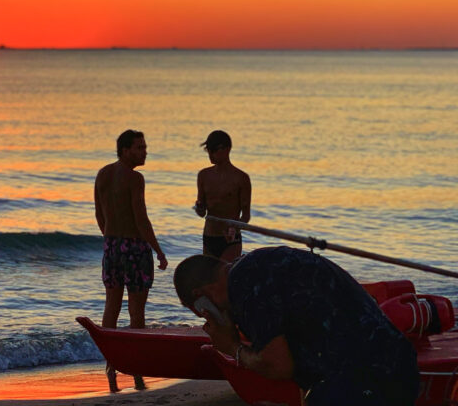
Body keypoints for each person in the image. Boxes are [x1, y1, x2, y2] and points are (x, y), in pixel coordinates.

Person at [173, 247, 420, 406]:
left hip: (363, 378)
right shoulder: (259, 266)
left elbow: (279, 366)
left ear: (202, 295)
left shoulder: (244, 285)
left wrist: (233, 348)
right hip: (393, 367)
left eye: (200, 310)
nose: (206, 318)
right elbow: (305, 363)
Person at [94, 129, 168, 391]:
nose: (144, 151)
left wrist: (112, 239)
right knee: (136, 312)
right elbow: (141, 218)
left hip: (112, 246)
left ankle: (110, 367)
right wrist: (157, 249)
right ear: (125, 150)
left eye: (144, 147)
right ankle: (136, 372)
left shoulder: (103, 174)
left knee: (111, 308)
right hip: (135, 248)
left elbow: (99, 215)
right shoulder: (135, 179)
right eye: (139, 147)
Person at [193, 130, 251, 261]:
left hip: (230, 239)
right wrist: (199, 208)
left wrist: (235, 228)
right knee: (209, 277)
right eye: (208, 151)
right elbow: (202, 212)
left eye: (214, 150)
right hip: (209, 235)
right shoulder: (203, 175)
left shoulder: (241, 178)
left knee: (226, 276)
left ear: (227, 149)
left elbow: (246, 216)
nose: (211, 155)